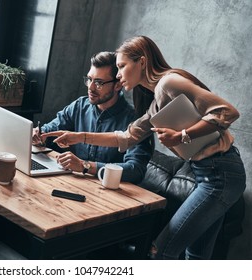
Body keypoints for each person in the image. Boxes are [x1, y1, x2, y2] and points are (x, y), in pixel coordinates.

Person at [42, 36, 246, 259]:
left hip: (220, 175)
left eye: (121, 66)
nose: (118, 74)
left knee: (160, 250)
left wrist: (182, 135)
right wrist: (79, 137)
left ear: (141, 62)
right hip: (208, 174)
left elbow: (227, 112)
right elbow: (126, 137)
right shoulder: (155, 102)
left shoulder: (169, 82)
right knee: (196, 256)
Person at [33, 51, 153, 183]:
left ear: (118, 85)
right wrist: (39, 135)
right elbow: (51, 130)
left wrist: (85, 166)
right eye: (89, 79)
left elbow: (135, 170)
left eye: (99, 83)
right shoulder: (80, 106)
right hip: (74, 182)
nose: (90, 87)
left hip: (111, 194)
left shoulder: (136, 122)